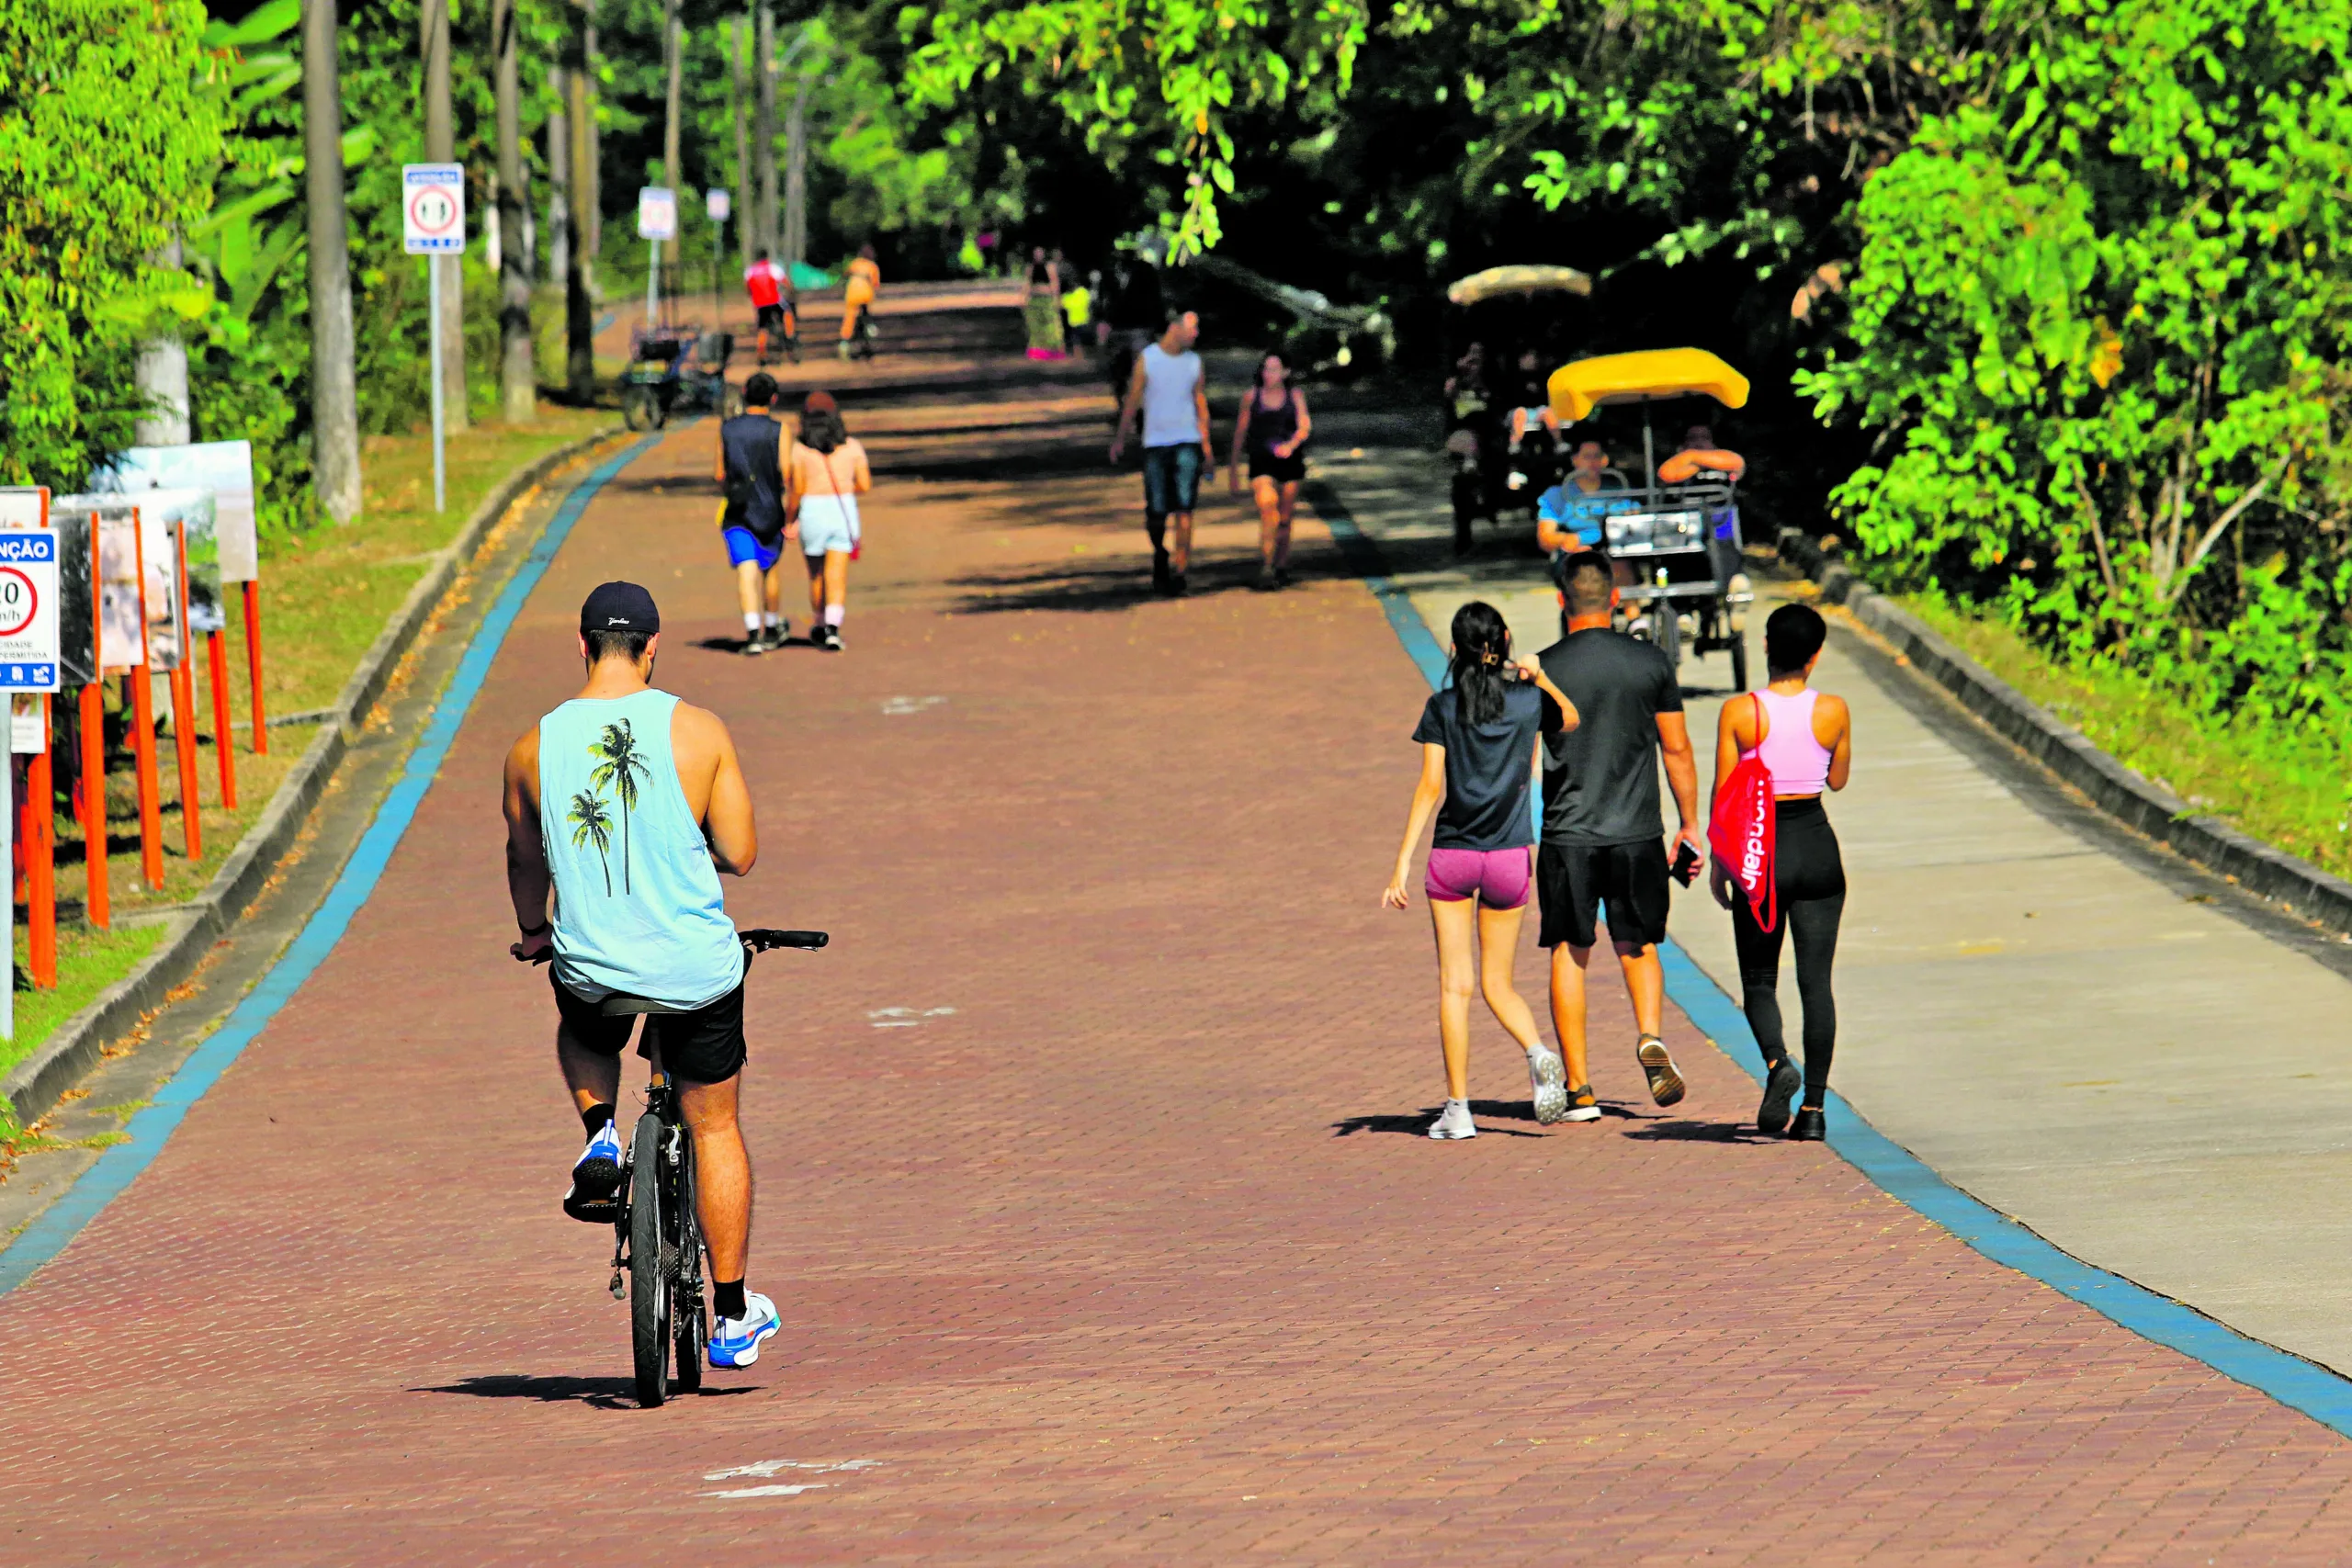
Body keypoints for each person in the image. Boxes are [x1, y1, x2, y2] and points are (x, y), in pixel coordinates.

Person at [502, 581, 777, 1369]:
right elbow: (742, 853)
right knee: (715, 1125)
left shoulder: (532, 747)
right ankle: (729, 1314)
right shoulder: (697, 731)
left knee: (582, 1017)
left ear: (581, 646)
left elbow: (524, 856)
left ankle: (601, 1133)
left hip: (593, 965)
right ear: (654, 648)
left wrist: (531, 932)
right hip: (694, 969)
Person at [1385, 603, 1587, 1137]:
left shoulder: (1441, 707)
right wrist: (1542, 677)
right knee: (1500, 982)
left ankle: (1458, 1110)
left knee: (1456, 986)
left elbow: (1431, 787)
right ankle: (1539, 1051)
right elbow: (1570, 720)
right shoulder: (1527, 702)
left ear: (1454, 649)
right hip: (1508, 857)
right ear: (1503, 640)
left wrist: (1403, 861)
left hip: (1452, 856)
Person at [1536, 552, 1707, 1118]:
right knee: (1638, 945)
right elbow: (1676, 748)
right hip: (1636, 831)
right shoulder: (1649, 663)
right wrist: (1689, 824)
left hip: (1569, 832)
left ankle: (1580, 1089)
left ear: (1563, 601)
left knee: (1570, 948)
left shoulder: (1543, 668)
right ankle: (1649, 1034)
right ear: (1613, 599)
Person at [1712, 603, 1851, 1141]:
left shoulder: (1741, 712)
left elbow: (1726, 796)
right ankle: (1814, 1112)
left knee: (1759, 980)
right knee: (1816, 984)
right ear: (1815, 656)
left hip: (1760, 850)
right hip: (1816, 846)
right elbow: (1837, 780)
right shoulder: (1833, 710)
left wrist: (1722, 866)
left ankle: (1777, 1064)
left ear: (1766, 646)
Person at [1110, 310, 1213, 595]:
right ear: (1174, 327)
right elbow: (1133, 398)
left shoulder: (1194, 362)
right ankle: (1160, 551)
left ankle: (1181, 571)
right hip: (1156, 443)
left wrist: (1207, 446)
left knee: (1185, 507)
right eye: (1191, 328)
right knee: (1157, 510)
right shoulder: (1150, 358)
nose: (1195, 334)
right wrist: (1121, 437)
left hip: (1187, 441)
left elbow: (1200, 402)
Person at [711, 371, 794, 654]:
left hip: (737, 509)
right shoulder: (779, 430)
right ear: (773, 398)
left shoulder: (727, 429)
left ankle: (752, 632)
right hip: (770, 508)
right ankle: (771, 625)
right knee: (770, 568)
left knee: (746, 568)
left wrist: (732, 487)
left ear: (745, 393)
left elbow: (719, 472)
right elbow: (786, 470)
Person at [788, 390, 871, 651]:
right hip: (841, 509)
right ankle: (834, 628)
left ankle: (821, 624)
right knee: (837, 574)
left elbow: (797, 488)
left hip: (812, 511)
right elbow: (865, 484)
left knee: (816, 575)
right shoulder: (852, 446)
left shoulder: (800, 449)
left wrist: (790, 519)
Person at [1227, 349, 1311, 591]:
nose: (1269, 374)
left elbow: (1304, 426)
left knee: (1284, 519)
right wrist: (1233, 469)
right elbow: (1240, 433)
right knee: (1267, 507)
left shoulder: (1294, 395)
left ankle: (1280, 565)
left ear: (1285, 372)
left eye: (1274, 369)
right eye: (1266, 369)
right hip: (1261, 461)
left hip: (1289, 462)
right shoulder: (1251, 396)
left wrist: (1291, 445)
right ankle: (1266, 564)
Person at [1534, 439, 1630, 558]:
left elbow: (1635, 525)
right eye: (1587, 457)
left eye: (1597, 456)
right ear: (1575, 460)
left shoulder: (1619, 492)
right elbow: (1545, 539)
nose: (1592, 462)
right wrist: (1570, 539)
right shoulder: (1556, 495)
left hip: (1615, 555)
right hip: (1574, 557)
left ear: (1604, 460)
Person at [742, 248, 795, 366]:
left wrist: (753, 297)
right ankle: (789, 337)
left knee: (763, 328)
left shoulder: (750, 270)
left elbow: (747, 288)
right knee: (788, 313)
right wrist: (791, 292)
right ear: (767, 257)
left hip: (759, 303)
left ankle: (761, 350)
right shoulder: (773, 268)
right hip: (774, 300)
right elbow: (786, 283)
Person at [1023, 245, 1066, 358]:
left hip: (1048, 299)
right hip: (1035, 300)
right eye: (1036, 254)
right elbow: (1028, 284)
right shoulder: (1030, 268)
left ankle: (1055, 351)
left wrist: (1056, 299)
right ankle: (1038, 351)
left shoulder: (1050, 266)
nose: (1038, 256)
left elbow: (1055, 282)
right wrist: (1025, 300)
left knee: (1051, 326)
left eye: (1040, 253)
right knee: (1036, 326)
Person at [840, 243, 881, 360]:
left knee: (850, 318)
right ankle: (870, 328)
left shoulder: (855, 263)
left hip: (852, 294)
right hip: (865, 295)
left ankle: (844, 342)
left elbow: (846, 274)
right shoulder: (872, 266)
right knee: (865, 313)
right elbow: (876, 284)